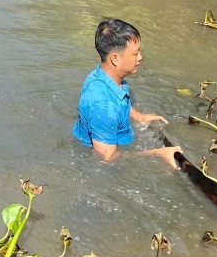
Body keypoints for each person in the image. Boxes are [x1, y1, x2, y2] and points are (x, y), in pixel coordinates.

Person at [73, 18, 182, 167]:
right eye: (135, 54)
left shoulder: (102, 77)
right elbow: (106, 157)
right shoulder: (103, 105)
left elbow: (118, 101)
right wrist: (157, 153)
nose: (140, 57)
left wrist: (139, 116)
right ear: (115, 59)